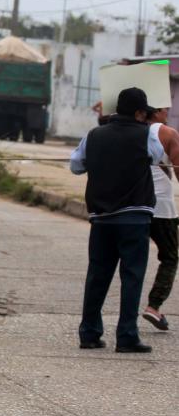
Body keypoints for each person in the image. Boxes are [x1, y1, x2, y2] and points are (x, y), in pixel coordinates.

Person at [72, 88, 179, 353]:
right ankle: (127, 336)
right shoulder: (146, 136)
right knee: (132, 277)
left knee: (97, 276)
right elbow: (155, 157)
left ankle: (89, 333)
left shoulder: (94, 135)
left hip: (101, 218)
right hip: (134, 218)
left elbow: (76, 166)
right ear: (141, 112)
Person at [143, 107, 179, 331]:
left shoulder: (129, 130)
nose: (168, 112)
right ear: (155, 111)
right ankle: (153, 306)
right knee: (170, 257)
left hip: (131, 204)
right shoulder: (167, 133)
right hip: (162, 208)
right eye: (165, 108)